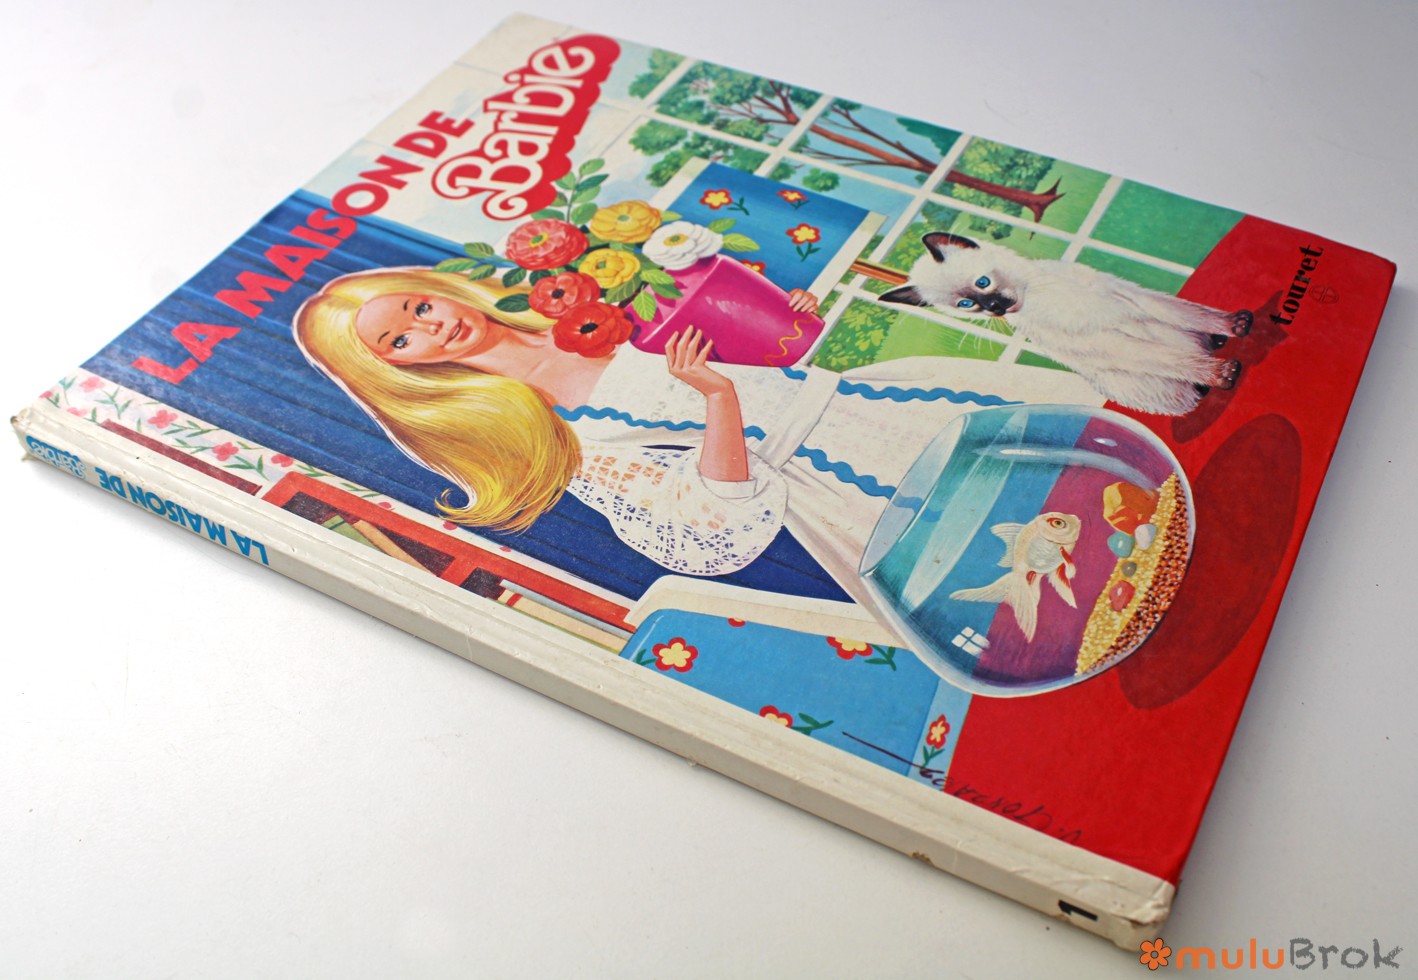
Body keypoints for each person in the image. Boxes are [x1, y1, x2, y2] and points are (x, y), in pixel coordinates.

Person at [293, 266, 1098, 604]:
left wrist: (773, 318)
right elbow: (705, 521)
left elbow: (742, 344)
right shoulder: (542, 427)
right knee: (1038, 552)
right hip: (838, 484)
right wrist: (716, 399)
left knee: (1081, 461)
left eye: (418, 306)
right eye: (401, 339)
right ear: (398, 371)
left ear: (434, 289)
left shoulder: (579, 304)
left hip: (870, 404)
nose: (432, 326)